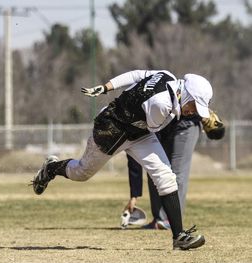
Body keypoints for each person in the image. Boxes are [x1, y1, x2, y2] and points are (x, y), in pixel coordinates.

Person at [32, 70, 213, 250]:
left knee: (166, 176)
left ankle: (179, 236)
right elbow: (156, 127)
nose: (194, 112)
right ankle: (51, 168)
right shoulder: (161, 105)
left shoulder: (167, 75)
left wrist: (106, 87)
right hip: (112, 130)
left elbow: (135, 75)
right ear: (186, 94)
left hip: (138, 132)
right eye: (195, 105)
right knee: (81, 172)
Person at [123, 109, 202, 230]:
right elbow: (134, 157)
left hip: (186, 124)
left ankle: (171, 220)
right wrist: (134, 195)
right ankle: (158, 219)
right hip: (161, 126)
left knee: (175, 174)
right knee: (155, 169)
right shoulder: (140, 113)